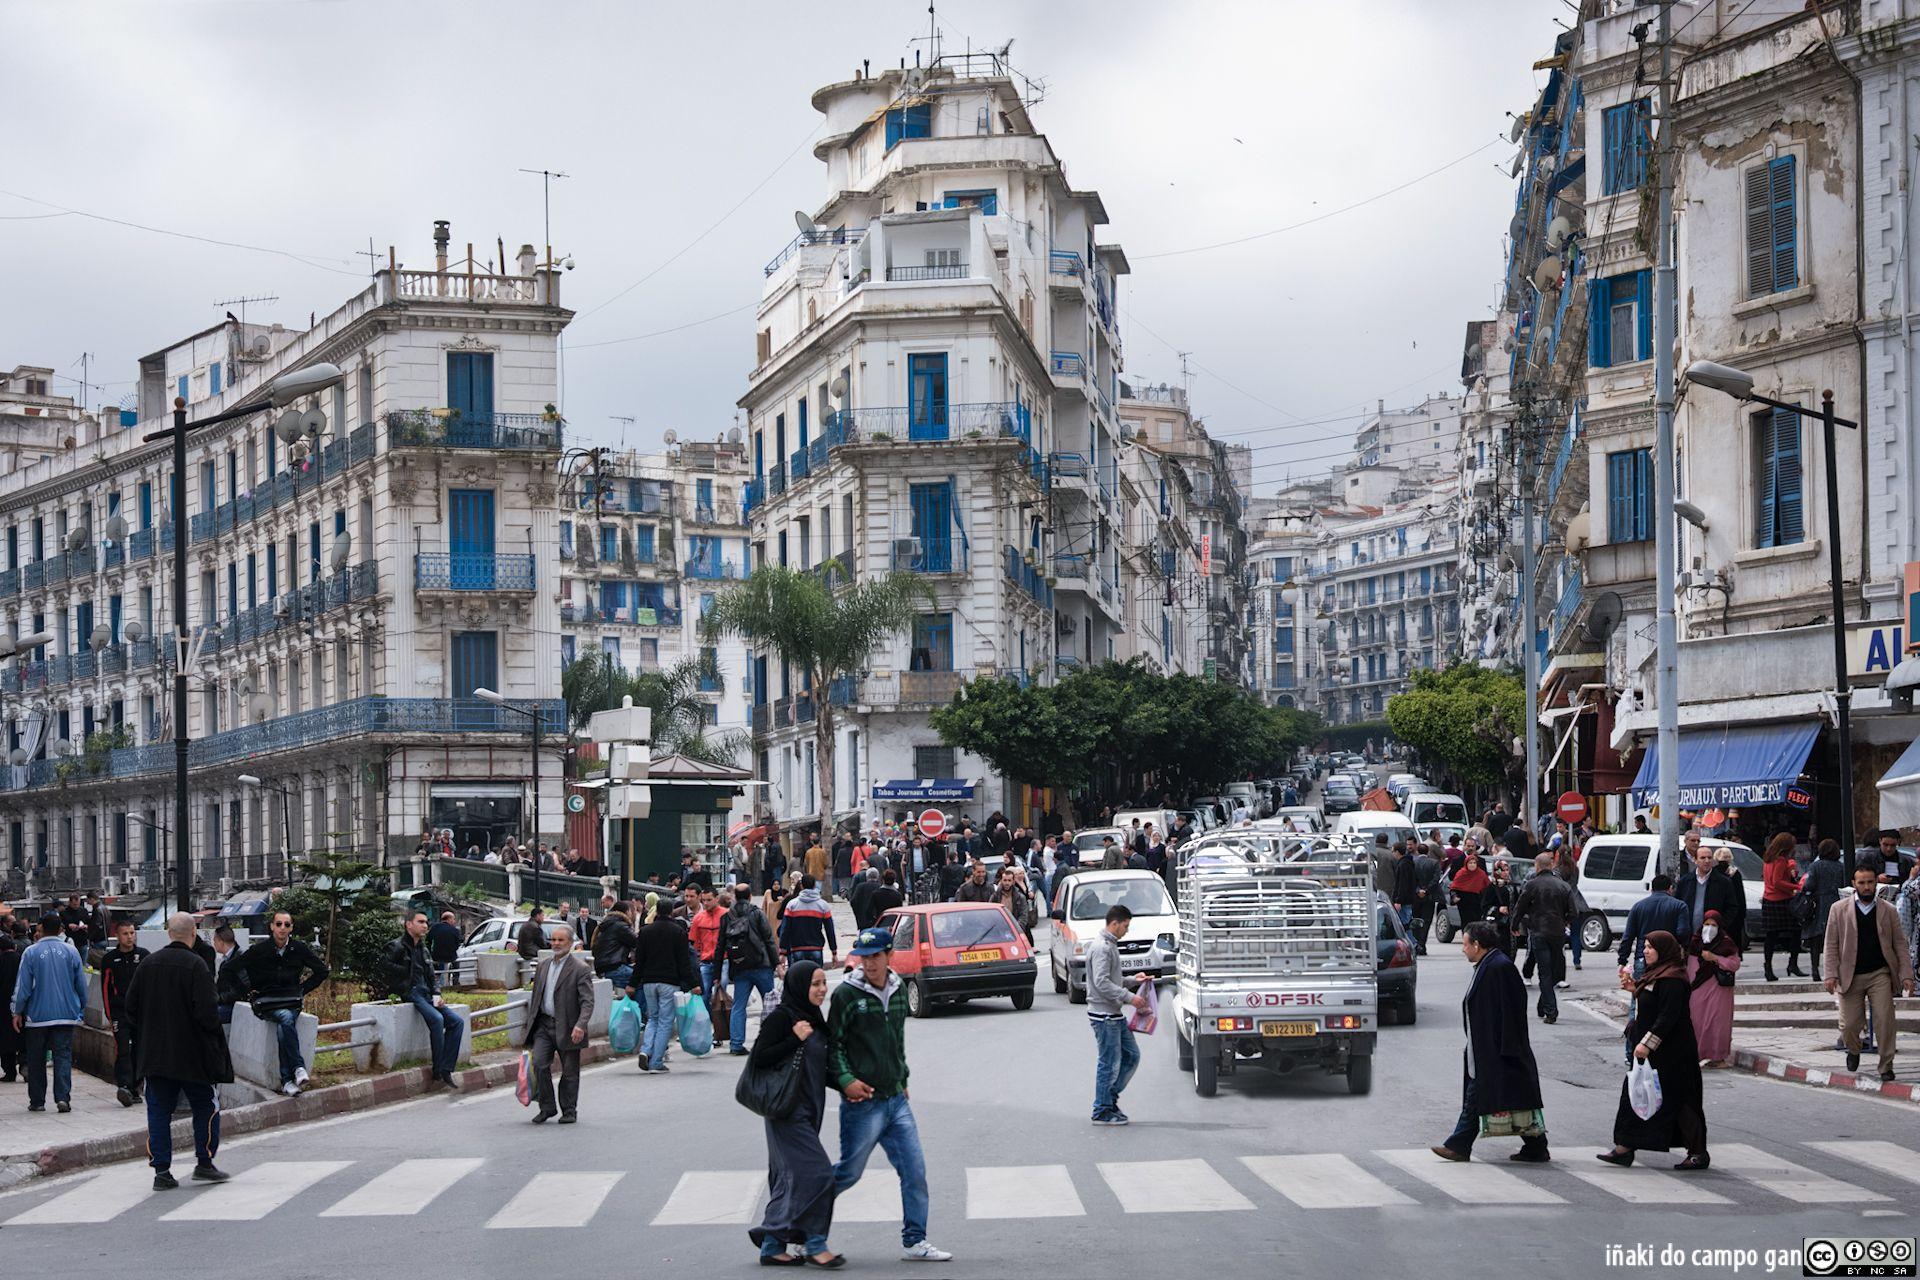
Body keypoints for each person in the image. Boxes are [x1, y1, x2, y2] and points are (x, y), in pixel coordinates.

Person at [828, 927, 952, 1263]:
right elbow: (834, 1045)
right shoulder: (846, 995)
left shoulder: (898, 989)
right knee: (847, 1174)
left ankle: (915, 1240)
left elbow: (897, 1040)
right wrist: (845, 1080)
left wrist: (902, 1076)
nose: (868, 963)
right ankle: (798, 1223)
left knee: (914, 1170)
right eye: (864, 957)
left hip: (896, 1100)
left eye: (875, 956)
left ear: (888, 956)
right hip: (862, 1103)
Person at [125, 913, 232, 1190]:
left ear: (168, 933)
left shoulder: (147, 964)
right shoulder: (197, 966)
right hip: (193, 1055)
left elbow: (131, 1009)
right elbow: (209, 1014)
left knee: (159, 1111)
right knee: (205, 1105)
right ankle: (204, 1162)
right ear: (194, 933)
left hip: (155, 1054)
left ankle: (161, 1171)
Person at [1431, 921, 1549, 1163]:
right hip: (1486, 1048)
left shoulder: (1499, 967)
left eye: (1465, 944)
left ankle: (1459, 1145)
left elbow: (1512, 1010)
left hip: (1498, 1050)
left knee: (1483, 1095)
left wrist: (1508, 1049)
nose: (1462, 949)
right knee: (1512, 1099)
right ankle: (1536, 1146)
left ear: (1477, 945)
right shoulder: (1488, 964)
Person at [749, 960, 841, 1268]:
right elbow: (759, 1058)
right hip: (787, 1112)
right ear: (801, 986)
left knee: (791, 1179)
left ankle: (773, 1245)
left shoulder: (813, 1016)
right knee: (819, 1175)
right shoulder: (783, 1018)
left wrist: (850, 1085)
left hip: (809, 1110)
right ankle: (814, 1243)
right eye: (815, 984)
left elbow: (818, 1068)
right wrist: (794, 1039)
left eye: (823, 983)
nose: (821, 989)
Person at [1599, 932, 1709, 1170]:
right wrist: (1633, 987)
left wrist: (1645, 1045)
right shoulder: (1658, 973)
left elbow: (1667, 1017)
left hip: (1673, 1053)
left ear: (1664, 950)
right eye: (1645, 947)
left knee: (1680, 1101)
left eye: (1650, 947)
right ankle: (1624, 1147)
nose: (1646, 951)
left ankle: (1698, 1152)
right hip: (1653, 1051)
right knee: (1634, 1095)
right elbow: (1651, 999)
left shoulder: (1673, 979)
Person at [1824, 863, 1916, 1082]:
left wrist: (1906, 975)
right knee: (1849, 1026)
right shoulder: (1839, 909)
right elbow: (1831, 944)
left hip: (1880, 974)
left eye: (1870, 882)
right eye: (1862, 882)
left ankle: (1886, 1066)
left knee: (1885, 1020)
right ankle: (1854, 1049)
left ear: (1876, 883)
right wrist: (1830, 974)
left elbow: (1900, 945)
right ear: (1854, 884)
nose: (1866, 887)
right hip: (1850, 975)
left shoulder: (1888, 910)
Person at [231, 910, 330, 1096]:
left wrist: (302, 989)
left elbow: (322, 971)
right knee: (285, 1018)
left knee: (283, 1026)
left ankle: (286, 1081)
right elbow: (231, 969)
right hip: (266, 1002)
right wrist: (247, 991)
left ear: (291, 927)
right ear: (271, 926)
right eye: (278, 924)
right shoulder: (259, 950)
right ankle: (298, 1067)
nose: (282, 928)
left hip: (291, 1000)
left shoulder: (298, 948)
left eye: (287, 924)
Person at [12, 914, 86, 1113]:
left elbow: (23, 988)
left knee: (36, 1059)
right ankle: (63, 1098)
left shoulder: (31, 953)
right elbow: (81, 984)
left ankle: (37, 1101)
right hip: (65, 1015)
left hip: (37, 1017)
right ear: (61, 928)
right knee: (63, 1057)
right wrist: (80, 1008)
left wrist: (17, 1011)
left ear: (41, 928)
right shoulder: (72, 951)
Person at [382, 910, 462, 1087]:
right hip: (410, 992)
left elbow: (432, 975)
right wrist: (404, 973)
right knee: (437, 1019)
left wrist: (437, 994)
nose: (425, 925)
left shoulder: (424, 949)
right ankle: (438, 1069)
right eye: (420, 922)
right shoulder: (396, 946)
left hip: (425, 992)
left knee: (457, 1022)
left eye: (426, 922)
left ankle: (447, 1069)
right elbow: (385, 967)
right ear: (408, 924)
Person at [1085, 904, 1149, 1126]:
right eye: (1125, 926)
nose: (1127, 931)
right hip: (1104, 1016)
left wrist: (1133, 981)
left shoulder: (1109, 945)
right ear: (1115, 923)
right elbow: (1101, 982)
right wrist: (1130, 998)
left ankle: (1108, 1100)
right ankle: (1102, 1109)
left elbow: (1110, 979)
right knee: (1109, 1063)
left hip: (1112, 1014)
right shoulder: (1102, 948)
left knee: (1131, 1056)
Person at [524, 925, 594, 1123]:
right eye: (553, 940)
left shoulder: (580, 969)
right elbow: (536, 996)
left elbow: (587, 1001)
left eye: (560, 940)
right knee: (539, 1064)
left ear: (570, 944)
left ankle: (569, 1110)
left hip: (569, 1027)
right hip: (544, 1026)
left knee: (570, 1071)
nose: (555, 944)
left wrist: (581, 1025)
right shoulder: (543, 965)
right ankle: (547, 1107)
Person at [631, 895, 697, 1075]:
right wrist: (693, 984)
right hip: (670, 982)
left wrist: (632, 983)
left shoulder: (645, 931)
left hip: (649, 982)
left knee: (653, 1018)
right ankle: (656, 1062)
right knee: (666, 1021)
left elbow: (640, 961)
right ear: (671, 913)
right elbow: (684, 962)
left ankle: (646, 1050)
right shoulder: (678, 932)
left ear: (657, 911)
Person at [95, 920, 149, 1107]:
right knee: (123, 1049)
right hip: (120, 1013)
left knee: (140, 1050)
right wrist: (110, 1016)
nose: (129, 937)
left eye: (132, 933)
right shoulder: (109, 959)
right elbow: (105, 990)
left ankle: (136, 1087)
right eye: (125, 933)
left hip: (141, 1013)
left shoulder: (143, 956)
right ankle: (124, 1086)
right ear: (117, 936)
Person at [724, 884, 782, 1056]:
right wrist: (777, 963)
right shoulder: (757, 913)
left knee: (739, 1006)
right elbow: (769, 939)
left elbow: (721, 945)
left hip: (740, 966)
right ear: (750, 897)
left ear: (736, 896)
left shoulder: (728, 916)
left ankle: (736, 1043)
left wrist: (718, 973)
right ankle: (772, 1039)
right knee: (770, 1003)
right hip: (761, 964)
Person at [1514, 854, 1572, 1024]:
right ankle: (1547, 1006)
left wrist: (1515, 925)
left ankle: (1549, 1009)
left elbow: (1520, 906)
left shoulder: (1532, 885)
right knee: (1552, 971)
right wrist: (1564, 921)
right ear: (1551, 865)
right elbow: (1574, 912)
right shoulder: (1564, 886)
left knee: (1545, 972)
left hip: (1539, 931)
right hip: (1557, 932)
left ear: (1537, 866)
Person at [1689, 909, 1740, 1068]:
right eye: (1707, 924)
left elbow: (1734, 964)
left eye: (1714, 925)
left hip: (1719, 989)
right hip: (1696, 987)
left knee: (1717, 1022)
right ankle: (1695, 1054)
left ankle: (1718, 1057)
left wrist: (1715, 958)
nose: (1709, 928)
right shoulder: (1694, 942)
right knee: (1695, 1021)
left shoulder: (1726, 943)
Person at [1672, 837, 1740, 949]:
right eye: (1703, 858)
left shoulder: (1723, 882)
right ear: (1695, 860)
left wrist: (1721, 925)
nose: (1707, 861)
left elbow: (1732, 907)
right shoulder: (1685, 881)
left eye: (1709, 858)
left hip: (1714, 936)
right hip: (1689, 936)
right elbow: (1677, 906)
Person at [1758, 831, 1806, 981]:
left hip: (1769, 898)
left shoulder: (1768, 859)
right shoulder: (1780, 860)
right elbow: (1777, 881)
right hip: (1781, 899)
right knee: (1795, 931)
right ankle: (1792, 963)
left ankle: (1768, 966)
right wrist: (1797, 887)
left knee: (1771, 935)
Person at [778, 876, 838, 969]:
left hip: (797, 948)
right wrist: (834, 952)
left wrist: (783, 952)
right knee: (815, 979)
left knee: (798, 981)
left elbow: (785, 929)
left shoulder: (792, 905)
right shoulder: (823, 905)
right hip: (816, 948)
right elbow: (830, 930)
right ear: (814, 886)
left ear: (801, 886)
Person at [687, 888, 728, 1000]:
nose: (705, 903)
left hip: (724, 959)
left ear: (717, 898)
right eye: (703, 900)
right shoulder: (698, 918)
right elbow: (693, 942)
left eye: (709, 900)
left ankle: (719, 1016)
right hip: (706, 960)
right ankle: (708, 1017)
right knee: (704, 993)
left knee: (721, 989)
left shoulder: (727, 915)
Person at [1448, 849, 1490, 939]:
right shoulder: (1461, 873)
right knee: (1466, 922)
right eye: (1470, 863)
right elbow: (1454, 887)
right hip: (1464, 902)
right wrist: (1455, 897)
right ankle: (1467, 939)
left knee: (1476, 922)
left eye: (1474, 863)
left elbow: (1488, 887)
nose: (1472, 865)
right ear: (1466, 864)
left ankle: (1474, 939)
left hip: (1477, 902)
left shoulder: (1481, 874)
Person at [1411, 839, 1441, 956]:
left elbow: (1411, 879)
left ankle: (1417, 942)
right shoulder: (1434, 863)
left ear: (1418, 851)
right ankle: (1422, 944)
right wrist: (1427, 890)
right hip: (1429, 896)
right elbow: (1436, 879)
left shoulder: (1413, 862)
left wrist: (1418, 890)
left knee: (1415, 920)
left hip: (1416, 897)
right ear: (1428, 852)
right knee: (1427, 921)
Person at [210, 926, 240, 1025]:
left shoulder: (239, 959)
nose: (213, 944)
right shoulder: (226, 961)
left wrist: (218, 998)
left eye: (214, 940)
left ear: (220, 941)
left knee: (205, 1016)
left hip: (234, 1005)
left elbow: (239, 991)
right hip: (226, 1003)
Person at [0, 936, 19, 1082]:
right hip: (21, 1004)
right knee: (23, 1036)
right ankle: (25, 1064)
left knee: (5, 1040)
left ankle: (10, 1071)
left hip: (3, 1006)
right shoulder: (21, 958)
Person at [427, 911, 463, 984]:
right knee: (456, 965)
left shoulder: (434, 928)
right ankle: (455, 982)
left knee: (436, 969)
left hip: (436, 956)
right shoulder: (454, 930)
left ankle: (434, 982)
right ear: (449, 919)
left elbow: (428, 941)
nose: (454, 921)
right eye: (453, 919)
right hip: (450, 956)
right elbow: (458, 943)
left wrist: (430, 952)